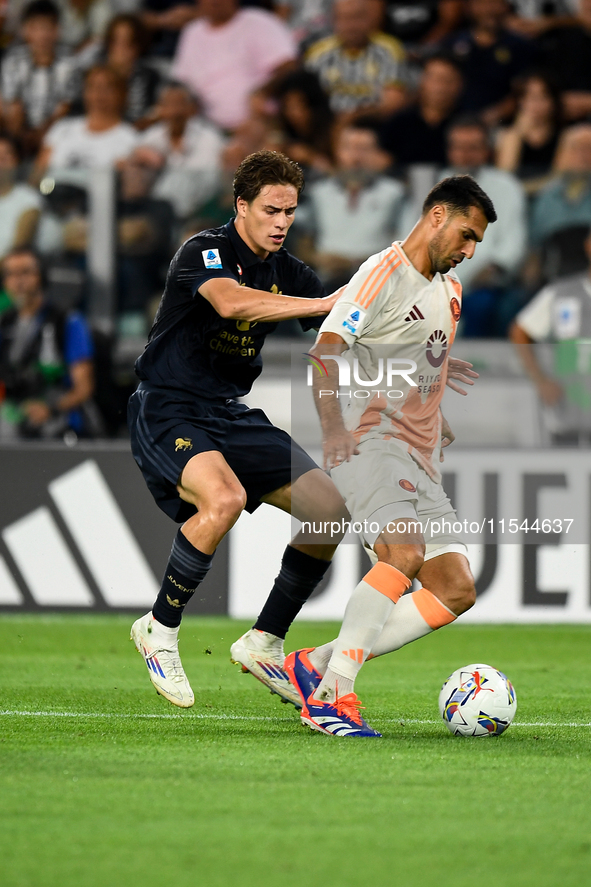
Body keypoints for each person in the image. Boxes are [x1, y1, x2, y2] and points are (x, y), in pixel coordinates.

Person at [128, 150, 350, 710]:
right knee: (222, 498)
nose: (282, 222)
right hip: (169, 406)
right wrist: (323, 303)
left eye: (290, 212)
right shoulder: (203, 251)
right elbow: (228, 303)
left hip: (229, 413)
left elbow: (338, 328)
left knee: (329, 509)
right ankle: (160, 627)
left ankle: (265, 640)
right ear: (242, 205)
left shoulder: (289, 273)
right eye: (272, 209)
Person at [281, 175, 496, 737]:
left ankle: (318, 664)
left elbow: (416, 368)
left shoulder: (449, 293)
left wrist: (435, 418)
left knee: (454, 588)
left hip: (418, 457)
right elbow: (326, 355)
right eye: (467, 235)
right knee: (401, 553)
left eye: (478, 243)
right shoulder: (382, 273)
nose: (470, 251)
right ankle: (331, 698)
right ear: (437, 215)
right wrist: (333, 432)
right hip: (366, 441)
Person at [440, 116, 526, 335]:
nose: (465, 155)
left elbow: (514, 241)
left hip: (484, 279)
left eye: (473, 148)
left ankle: (474, 367)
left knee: (482, 304)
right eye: (459, 147)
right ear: (450, 150)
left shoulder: (507, 186)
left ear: (486, 151)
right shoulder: (433, 186)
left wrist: (494, 268)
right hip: (436, 279)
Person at [0, 246, 95, 440]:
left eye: (26, 273)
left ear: (41, 276)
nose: (19, 282)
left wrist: (50, 408)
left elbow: (83, 387)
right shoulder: (4, 324)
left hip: (62, 418)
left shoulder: (68, 322)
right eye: (11, 275)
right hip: (15, 415)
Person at [298, 120, 404, 288]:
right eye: (348, 148)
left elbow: (406, 247)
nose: (355, 158)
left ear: (377, 154)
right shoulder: (318, 193)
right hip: (326, 282)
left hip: (377, 283)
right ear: (337, 152)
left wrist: (354, 263)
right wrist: (317, 258)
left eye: (363, 149)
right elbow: (302, 243)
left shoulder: (394, 193)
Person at [510, 228, 591, 444]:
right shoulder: (561, 293)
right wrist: (540, 379)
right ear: (588, 246)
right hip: (569, 410)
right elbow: (520, 331)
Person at [171, 0, 297, 132]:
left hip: (262, 122)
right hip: (207, 128)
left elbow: (289, 66)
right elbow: (182, 83)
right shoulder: (192, 32)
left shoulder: (258, 21)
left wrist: (263, 92)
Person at [132, 81, 225, 219]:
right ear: (160, 108)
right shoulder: (150, 138)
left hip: (200, 212)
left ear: (190, 108)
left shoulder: (210, 139)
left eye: (179, 104)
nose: (174, 111)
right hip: (157, 214)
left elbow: (213, 182)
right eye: (167, 104)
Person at [304, 0, 408, 119]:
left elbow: (393, 104)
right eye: (345, 19)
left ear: (368, 19)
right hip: (327, 125)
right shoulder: (317, 53)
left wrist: (351, 118)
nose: (351, 26)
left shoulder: (389, 49)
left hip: (374, 124)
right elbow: (307, 101)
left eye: (357, 18)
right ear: (334, 22)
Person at [34, 64, 138, 182]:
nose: (99, 94)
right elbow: (39, 175)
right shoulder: (62, 128)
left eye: (107, 88)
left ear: (122, 94)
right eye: (92, 86)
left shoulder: (130, 138)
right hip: (51, 193)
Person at [442, 0, 535, 126]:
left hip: (502, 125)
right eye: (482, 3)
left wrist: (494, 115)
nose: (489, 10)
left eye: (495, 3)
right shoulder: (452, 44)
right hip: (455, 122)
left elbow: (523, 91)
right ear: (469, 7)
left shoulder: (521, 47)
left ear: (505, 6)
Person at [1, 0, 76, 155]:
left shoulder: (69, 63)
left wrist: (41, 135)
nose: (43, 35)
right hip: (19, 132)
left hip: (55, 133)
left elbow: (64, 109)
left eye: (48, 28)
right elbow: (14, 104)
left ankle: (48, 178)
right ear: (25, 30)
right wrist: (21, 136)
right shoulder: (12, 61)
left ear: (57, 30)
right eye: (36, 28)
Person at [379, 53, 463, 167]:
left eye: (447, 80)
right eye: (435, 79)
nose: (440, 88)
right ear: (422, 81)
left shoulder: (466, 126)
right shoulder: (398, 123)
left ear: (460, 84)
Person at [495, 72, 562, 192]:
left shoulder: (564, 135)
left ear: (553, 101)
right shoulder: (508, 134)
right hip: (515, 197)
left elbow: (559, 180)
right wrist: (517, 132)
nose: (536, 104)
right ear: (520, 101)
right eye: (530, 97)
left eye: (543, 97)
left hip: (549, 197)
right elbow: (504, 176)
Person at [530, 124, 591, 247]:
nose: (581, 156)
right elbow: (535, 247)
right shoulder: (546, 196)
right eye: (575, 148)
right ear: (560, 153)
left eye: (588, 149)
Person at [102, 14, 161, 127]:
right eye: (116, 42)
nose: (121, 49)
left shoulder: (150, 76)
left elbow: (157, 110)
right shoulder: (97, 75)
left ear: (137, 46)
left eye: (127, 43)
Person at [0, 134, 43, 261]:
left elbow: (18, 251)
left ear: (17, 161)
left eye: (7, 154)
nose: (1, 158)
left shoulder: (28, 198)